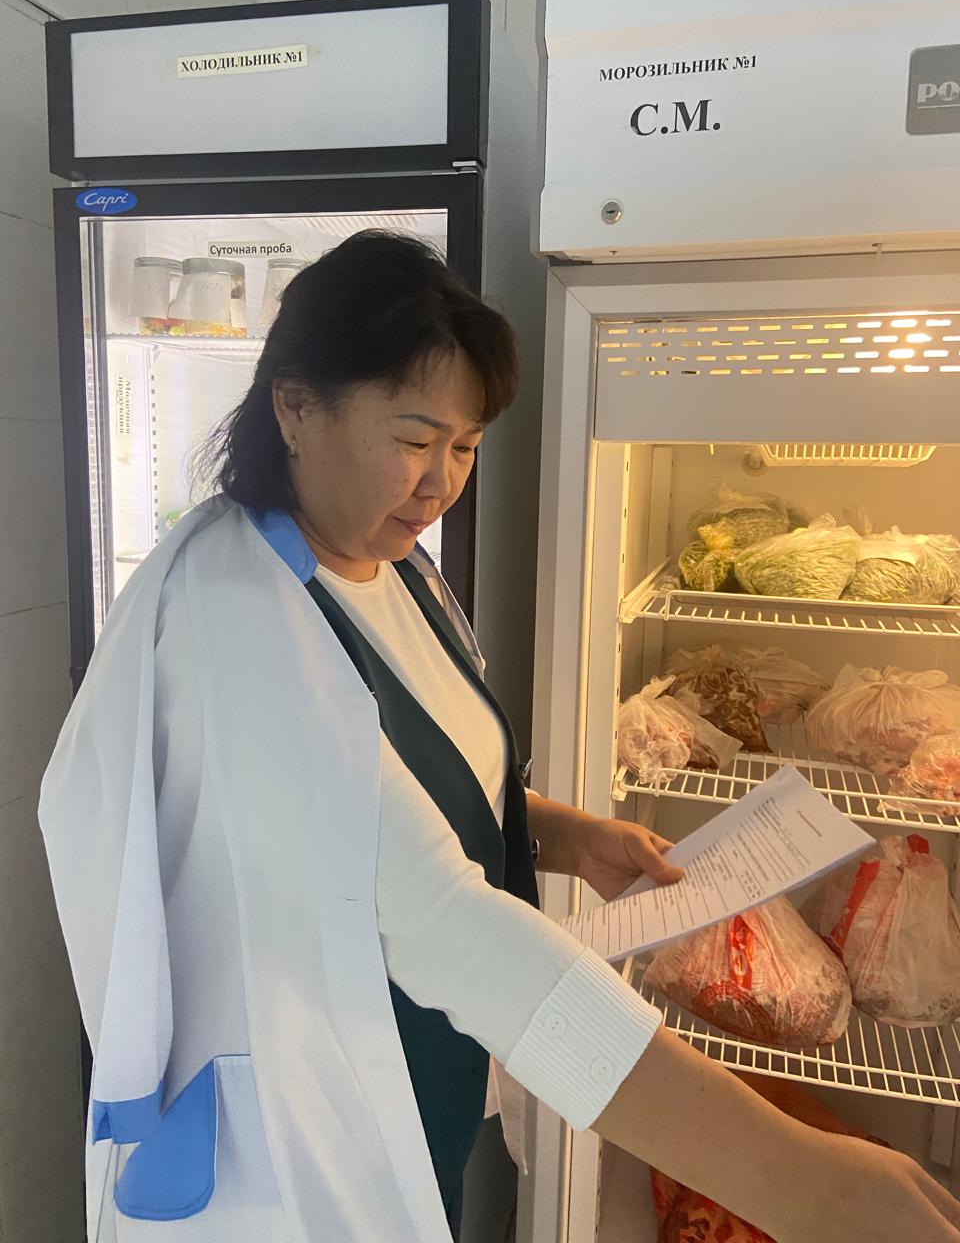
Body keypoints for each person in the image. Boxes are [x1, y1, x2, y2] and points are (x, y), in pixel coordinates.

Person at [39, 232, 960, 1243]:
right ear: (295, 408)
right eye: (415, 438)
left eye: (466, 447)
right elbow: (438, 917)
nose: (441, 482)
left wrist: (566, 834)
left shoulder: (394, 568)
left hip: (409, 1062)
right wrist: (797, 1177)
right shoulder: (235, 618)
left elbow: (404, 787)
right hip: (294, 1123)